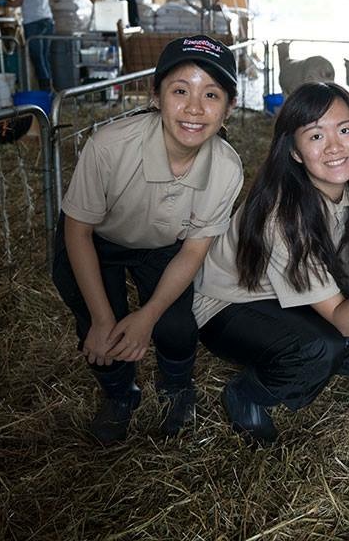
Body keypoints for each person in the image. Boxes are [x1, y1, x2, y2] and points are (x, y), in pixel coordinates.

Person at [52, 35, 243, 444]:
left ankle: (177, 389)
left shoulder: (227, 169)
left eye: (211, 94)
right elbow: (78, 229)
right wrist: (105, 319)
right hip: (95, 241)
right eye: (180, 91)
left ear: (229, 109)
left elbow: (194, 250)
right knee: (98, 326)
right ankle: (120, 393)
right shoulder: (108, 147)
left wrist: (149, 315)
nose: (194, 108)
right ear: (155, 96)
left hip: (163, 245)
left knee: (176, 323)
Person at [193, 82, 349, 444]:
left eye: (344, 129)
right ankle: (247, 394)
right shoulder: (282, 216)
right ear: (293, 151)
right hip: (229, 304)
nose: (336, 147)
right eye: (315, 136)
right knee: (322, 349)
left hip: (291, 294)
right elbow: (342, 321)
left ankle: (285, 348)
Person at [4, 0, 54, 90]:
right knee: (44, 57)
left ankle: (45, 91)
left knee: (38, 59)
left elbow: (17, 2)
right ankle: (49, 90)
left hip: (33, 22)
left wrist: (3, 3)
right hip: (48, 20)